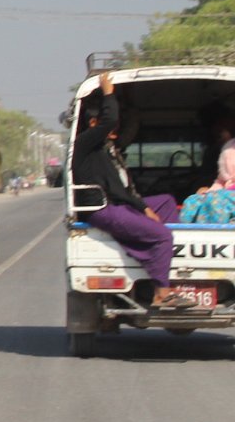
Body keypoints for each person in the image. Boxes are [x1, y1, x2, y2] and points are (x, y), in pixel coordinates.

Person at [73, 72, 197, 310]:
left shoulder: (106, 150)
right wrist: (108, 93)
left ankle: (162, 262)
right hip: (104, 209)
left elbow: (126, 130)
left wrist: (128, 100)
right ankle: (161, 294)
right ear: (93, 124)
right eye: (109, 125)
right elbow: (109, 120)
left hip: (119, 204)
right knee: (163, 236)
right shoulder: (85, 143)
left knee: (166, 202)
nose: (115, 128)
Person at [178, 143, 235, 226]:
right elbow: (218, 185)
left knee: (214, 200)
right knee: (192, 200)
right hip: (221, 197)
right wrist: (205, 193)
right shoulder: (223, 179)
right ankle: (186, 231)